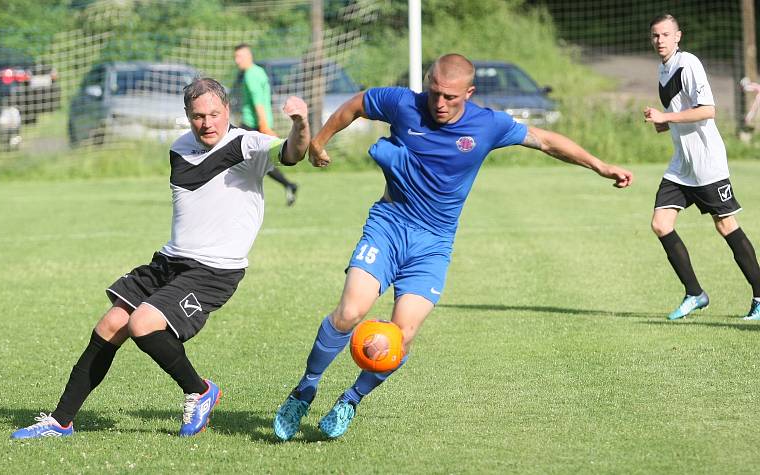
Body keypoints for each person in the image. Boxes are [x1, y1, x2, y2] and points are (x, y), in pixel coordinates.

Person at [272, 53, 634, 441]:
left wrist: (600, 165)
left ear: (469, 93)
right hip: (389, 227)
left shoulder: (487, 124)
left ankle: (351, 400)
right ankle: (304, 390)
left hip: (433, 245)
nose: (440, 104)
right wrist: (320, 142)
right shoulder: (403, 104)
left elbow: (545, 140)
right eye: (434, 93)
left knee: (402, 335)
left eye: (450, 97)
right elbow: (358, 103)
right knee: (349, 312)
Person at [10, 78, 310, 439]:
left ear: (227, 111)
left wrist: (300, 125)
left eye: (215, 114)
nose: (207, 123)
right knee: (109, 327)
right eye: (198, 115)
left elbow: (293, 153)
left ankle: (199, 391)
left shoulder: (247, 143)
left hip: (213, 270)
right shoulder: (180, 147)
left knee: (143, 323)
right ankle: (61, 421)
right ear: (187, 116)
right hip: (170, 261)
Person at [643, 14, 760, 321]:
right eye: (655, 35)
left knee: (725, 225)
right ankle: (695, 293)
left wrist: (666, 117)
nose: (660, 40)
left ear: (677, 36)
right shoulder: (662, 69)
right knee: (661, 224)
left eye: (665, 35)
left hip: (707, 163)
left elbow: (708, 110)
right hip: (682, 165)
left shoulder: (689, 64)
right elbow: (679, 114)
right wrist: (661, 123)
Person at [234, 43, 299, 206]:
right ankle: (289, 185)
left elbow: (259, 103)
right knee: (257, 162)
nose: (236, 61)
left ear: (249, 56)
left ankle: (287, 185)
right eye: (235, 57)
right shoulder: (259, 71)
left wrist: (264, 127)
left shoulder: (250, 75)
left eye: (239, 57)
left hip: (252, 125)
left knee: (242, 159)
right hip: (256, 124)